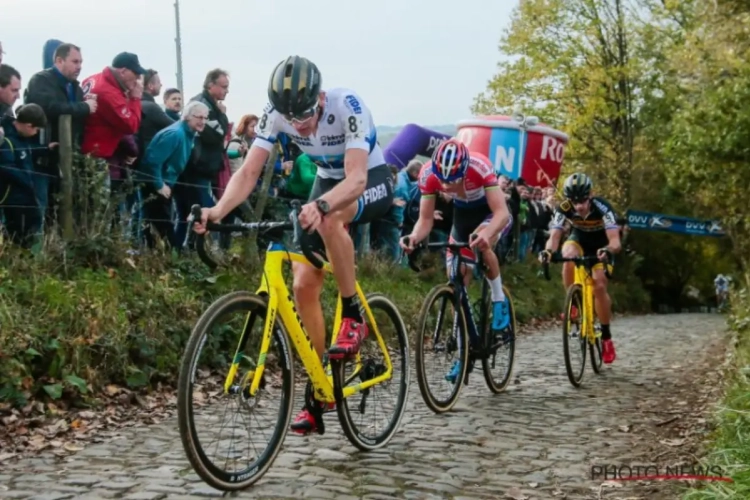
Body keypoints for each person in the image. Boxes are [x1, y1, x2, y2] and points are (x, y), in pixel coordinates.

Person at [193, 55, 394, 434]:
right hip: (324, 180)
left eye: (305, 116)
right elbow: (250, 171)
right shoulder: (276, 113)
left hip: (369, 179)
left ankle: (353, 314)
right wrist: (217, 210)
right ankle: (319, 389)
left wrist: (321, 205)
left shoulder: (346, 105)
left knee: (333, 217)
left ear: (319, 96)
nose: (300, 125)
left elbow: (354, 180)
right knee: (303, 285)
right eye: (293, 120)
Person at [399, 139, 513, 383]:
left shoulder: (479, 167)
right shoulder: (429, 175)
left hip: (490, 212)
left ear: (463, 169)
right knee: (457, 279)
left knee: (483, 246)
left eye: (453, 179)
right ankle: (464, 353)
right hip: (463, 216)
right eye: (443, 179)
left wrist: (487, 233)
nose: (446, 185)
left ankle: (499, 300)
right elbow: (425, 219)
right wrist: (413, 237)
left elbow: (502, 213)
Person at [538, 172, 621, 364]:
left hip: (601, 244)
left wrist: (608, 250)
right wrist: (548, 252)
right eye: (574, 202)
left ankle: (606, 337)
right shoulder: (564, 208)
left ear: (590, 195)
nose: (579, 206)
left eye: (583, 200)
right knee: (567, 255)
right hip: (579, 239)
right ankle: (573, 303)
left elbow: (615, 241)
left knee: (599, 286)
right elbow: (555, 237)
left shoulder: (603, 208)